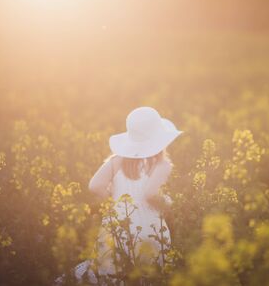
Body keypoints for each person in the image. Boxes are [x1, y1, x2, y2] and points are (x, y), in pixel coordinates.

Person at [55, 106, 183, 285]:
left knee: (111, 274)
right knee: (148, 277)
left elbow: (95, 185)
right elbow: (150, 194)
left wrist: (115, 200)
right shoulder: (162, 164)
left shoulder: (116, 160)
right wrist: (168, 203)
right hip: (149, 230)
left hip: (117, 227)